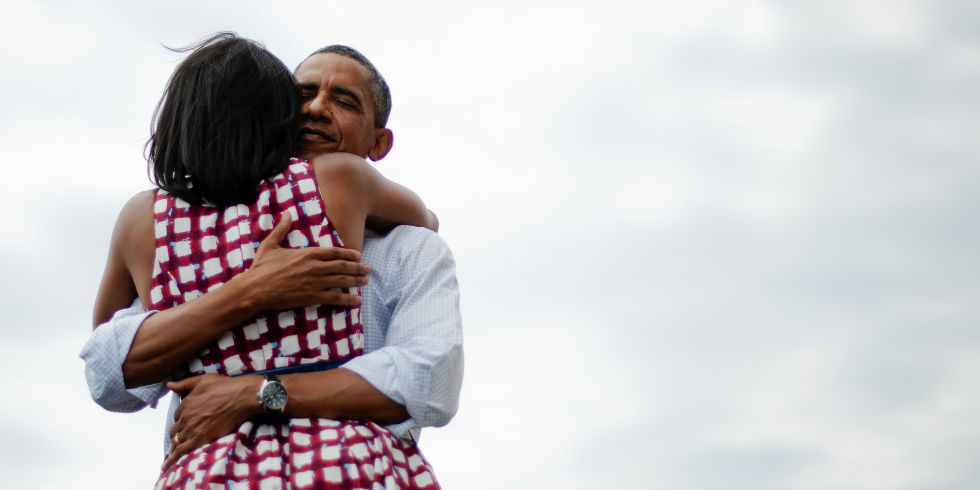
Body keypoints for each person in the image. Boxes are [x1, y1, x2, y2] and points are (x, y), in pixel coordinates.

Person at [85, 34, 460, 488]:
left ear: (379, 143)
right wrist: (251, 289)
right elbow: (107, 370)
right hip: (347, 465)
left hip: (209, 471)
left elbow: (429, 379)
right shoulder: (340, 185)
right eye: (301, 95)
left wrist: (256, 393)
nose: (315, 108)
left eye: (342, 100)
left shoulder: (162, 233)